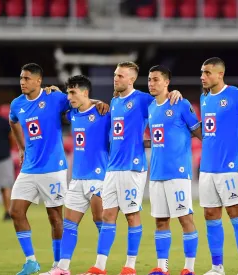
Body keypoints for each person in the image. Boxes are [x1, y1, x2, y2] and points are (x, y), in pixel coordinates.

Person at [81, 62, 181, 275]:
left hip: (132, 168)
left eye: (120, 76)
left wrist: (175, 93)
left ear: (131, 80)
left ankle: (130, 266)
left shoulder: (143, 99)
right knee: (107, 215)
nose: (115, 79)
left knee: (132, 215)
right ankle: (99, 266)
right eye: (115, 75)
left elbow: (164, 106)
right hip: (112, 168)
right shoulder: (115, 101)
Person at [9, 63, 109, 275]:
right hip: (29, 168)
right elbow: (13, 121)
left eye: (26, 78)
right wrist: (20, 146)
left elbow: (81, 101)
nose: (22, 82)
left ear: (38, 81)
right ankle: (31, 261)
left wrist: (99, 102)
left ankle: (58, 265)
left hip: (53, 168)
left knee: (55, 217)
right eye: (21, 78)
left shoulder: (55, 98)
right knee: (15, 212)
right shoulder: (17, 104)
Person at [199, 57, 238, 275]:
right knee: (210, 215)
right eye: (202, 73)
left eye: (207, 73)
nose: (202, 77)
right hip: (207, 168)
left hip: (230, 166)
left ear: (219, 74)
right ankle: (217, 267)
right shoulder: (204, 98)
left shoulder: (237, 96)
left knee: (236, 213)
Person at [144, 65, 203, 275]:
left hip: (178, 172)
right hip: (157, 173)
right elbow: (158, 140)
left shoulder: (180, 103)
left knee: (185, 218)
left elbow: (199, 132)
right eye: (150, 79)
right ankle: (162, 267)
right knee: (160, 221)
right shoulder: (151, 107)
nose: (152, 83)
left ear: (167, 82)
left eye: (156, 79)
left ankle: (189, 268)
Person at [49, 75, 110, 275]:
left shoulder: (104, 112)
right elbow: (58, 103)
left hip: (99, 177)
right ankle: (63, 268)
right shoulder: (73, 114)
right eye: (68, 92)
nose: (69, 96)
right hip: (77, 178)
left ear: (85, 92)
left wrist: (99, 102)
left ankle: (100, 267)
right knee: (69, 226)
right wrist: (53, 91)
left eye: (73, 92)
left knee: (100, 221)